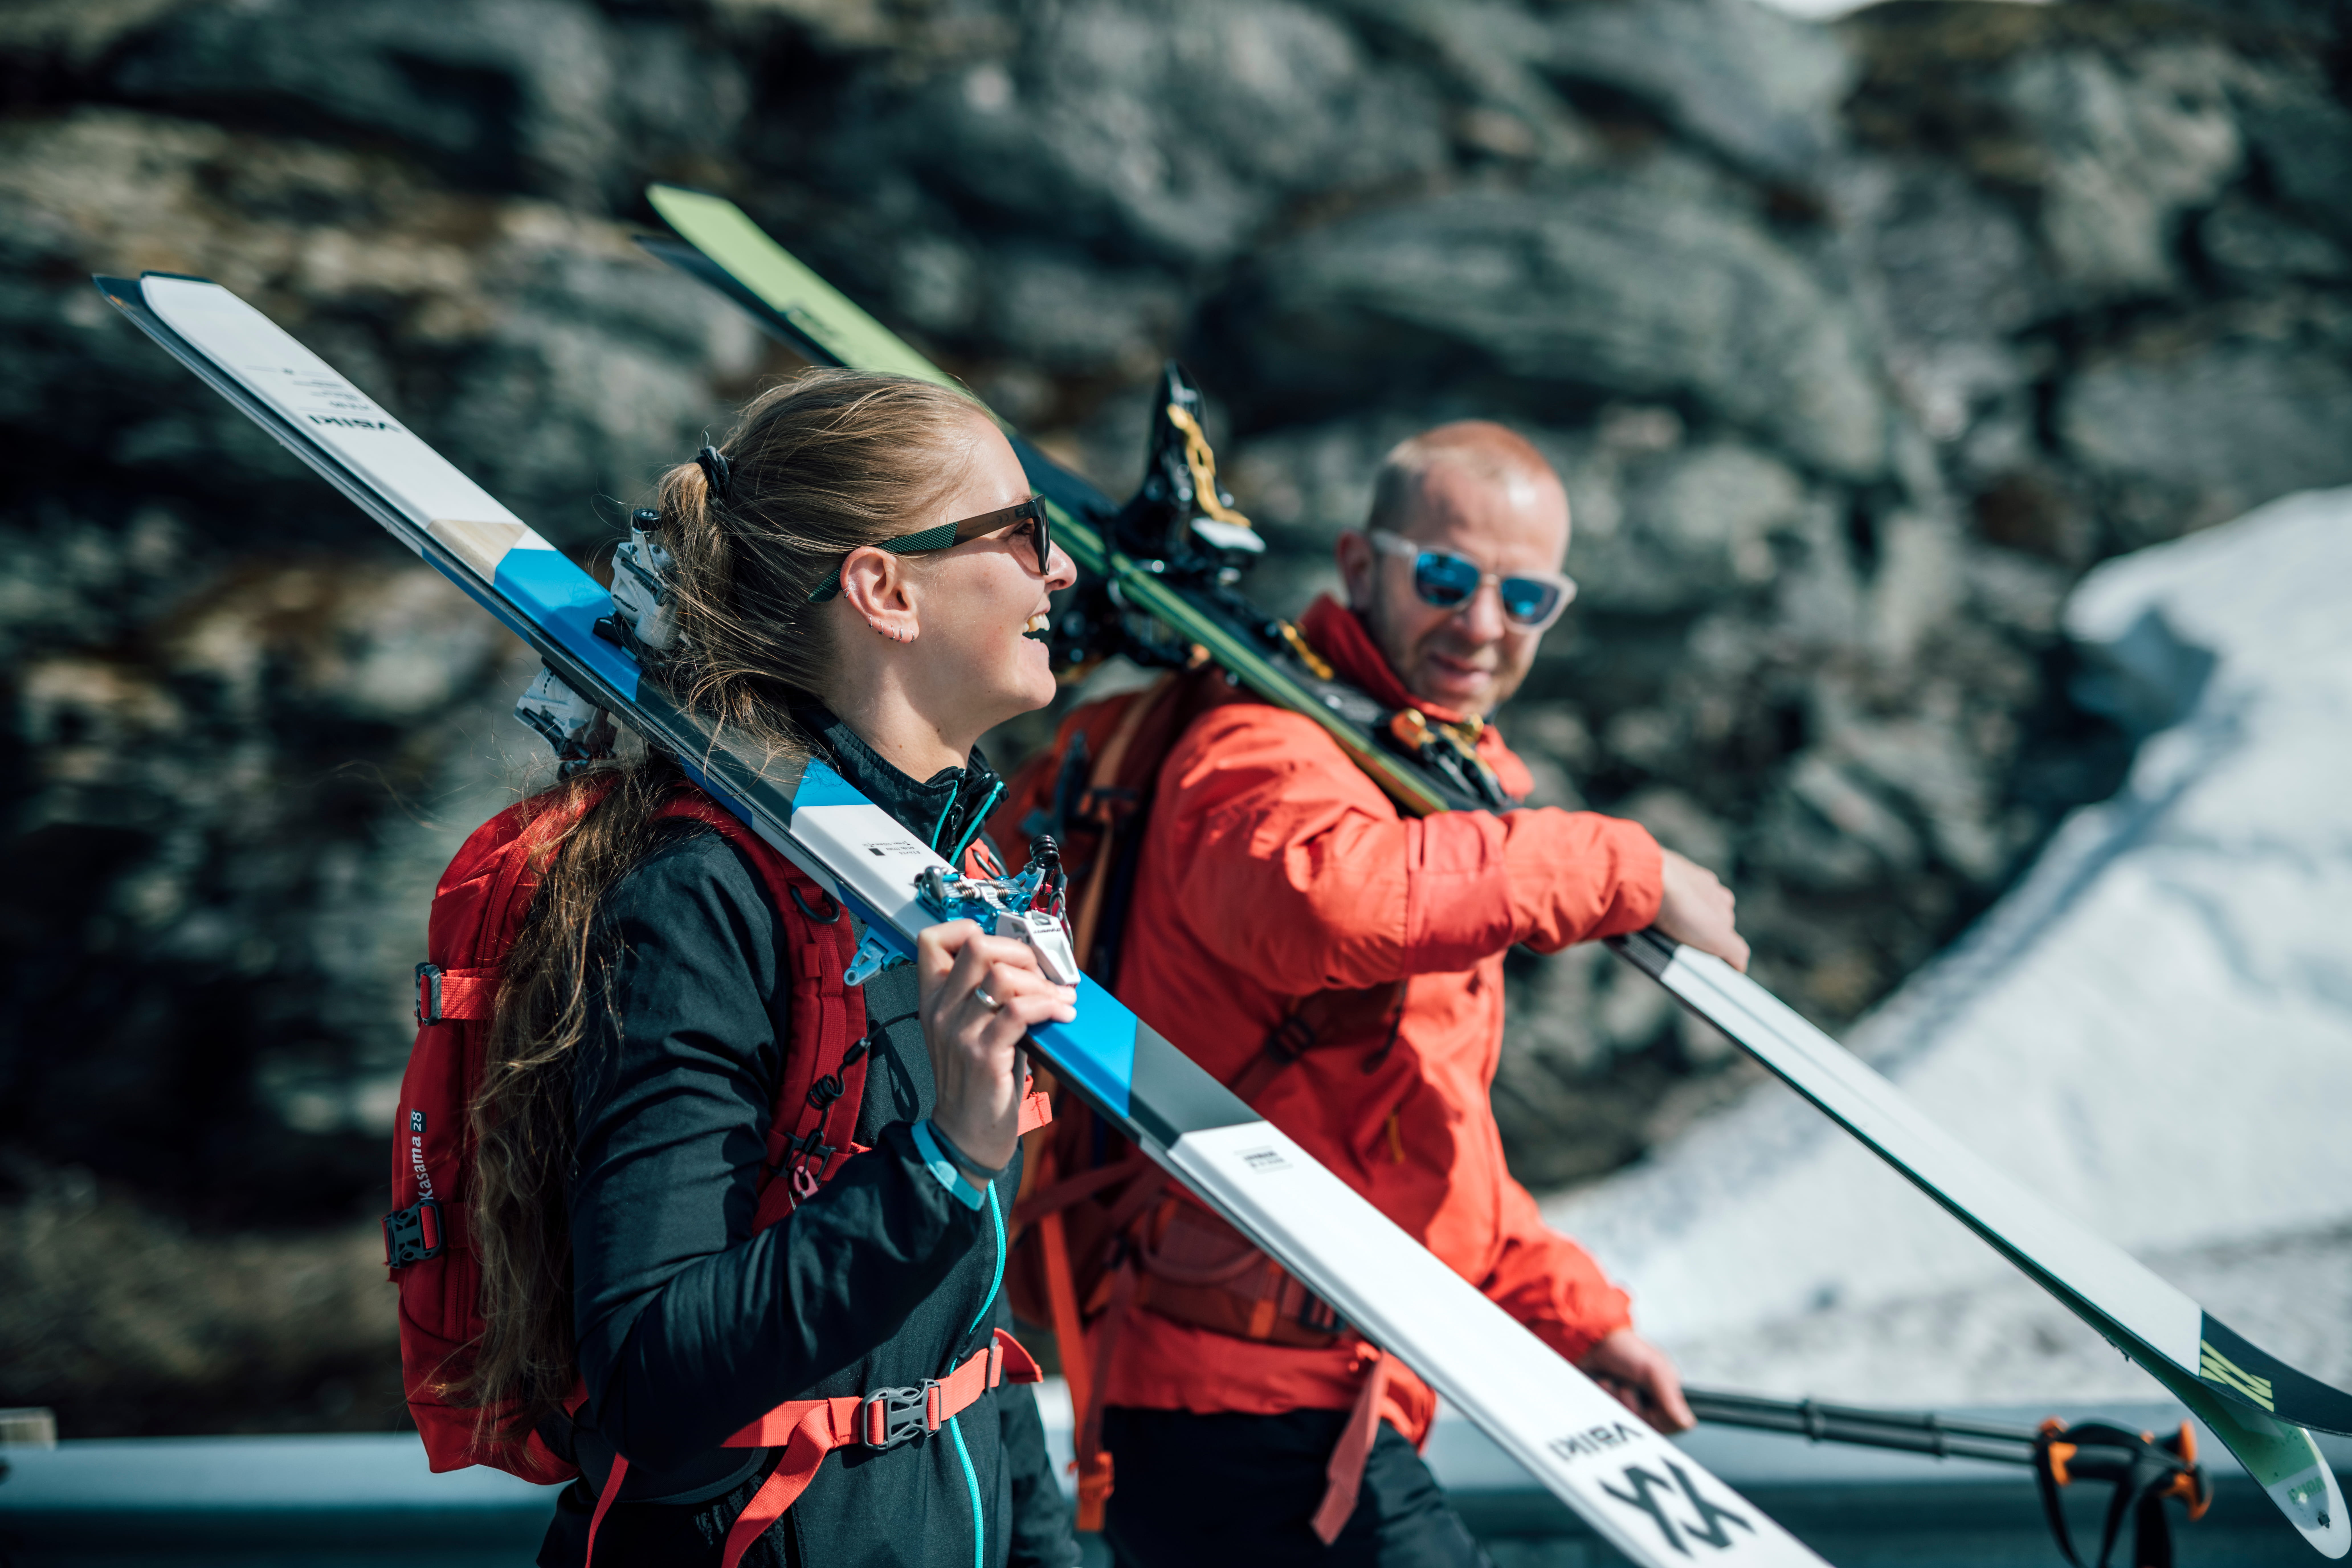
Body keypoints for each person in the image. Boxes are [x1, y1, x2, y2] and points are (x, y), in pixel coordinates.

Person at [1094, 421, 1752, 1566]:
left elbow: (1411, 1140)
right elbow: (1325, 904)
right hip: (1233, 1411)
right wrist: (1625, 867)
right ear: (1361, 566)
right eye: (1446, 577)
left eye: (1528, 596)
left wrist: (1570, 1315)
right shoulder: (1262, 749)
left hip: (1315, 1398)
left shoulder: (1411, 781)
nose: (1484, 625)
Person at [463, 370, 1083, 1567]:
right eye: (1023, 533)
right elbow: (648, 1366)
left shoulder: (954, 873)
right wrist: (944, 1160)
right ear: (886, 588)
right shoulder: (700, 898)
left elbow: (967, 1330)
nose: (1059, 571)